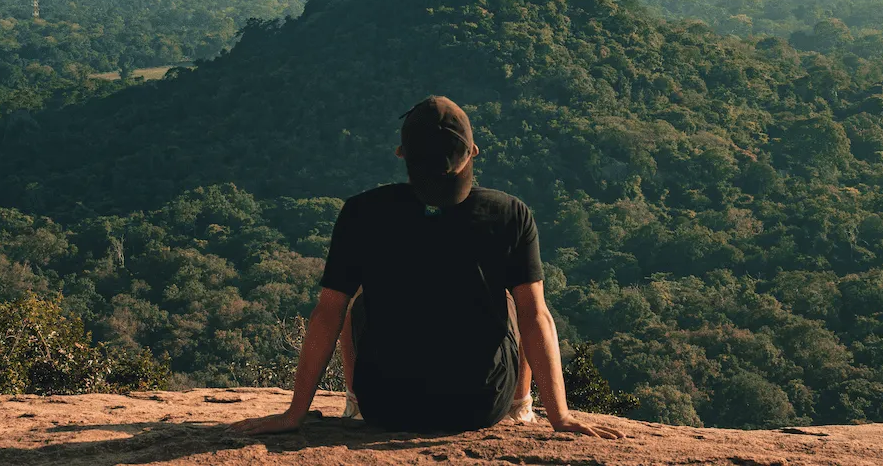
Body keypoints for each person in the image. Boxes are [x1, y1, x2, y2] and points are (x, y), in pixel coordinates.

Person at [230, 96, 623, 438]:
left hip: (387, 406)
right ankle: (521, 407)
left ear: (402, 154)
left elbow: (326, 314)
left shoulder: (362, 213)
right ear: (473, 151)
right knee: (516, 300)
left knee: (351, 303)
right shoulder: (510, 214)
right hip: (480, 407)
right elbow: (536, 317)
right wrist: (560, 416)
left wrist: (294, 414)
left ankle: (354, 404)